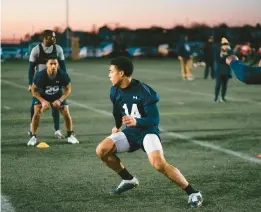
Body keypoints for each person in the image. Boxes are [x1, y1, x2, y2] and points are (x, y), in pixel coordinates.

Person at [95, 56, 203, 208]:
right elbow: (117, 111)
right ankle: (128, 179)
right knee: (102, 150)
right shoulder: (114, 90)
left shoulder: (145, 91)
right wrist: (118, 126)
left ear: (121, 73)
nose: (109, 75)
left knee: (158, 164)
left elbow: (154, 120)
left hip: (148, 131)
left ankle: (193, 192)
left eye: (111, 71)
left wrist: (136, 121)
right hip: (130, 132)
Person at [27, 56, 79, 146]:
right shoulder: (40, 75)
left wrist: (60, 100)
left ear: (58, 64)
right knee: (36, 112)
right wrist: (42, 101)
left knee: (66, 111)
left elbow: (68, 89)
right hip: (42, 95)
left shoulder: (62, 74)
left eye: (55, 64)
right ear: (47, 65)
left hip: (57, 95)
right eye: (51, 64)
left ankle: (70, 135)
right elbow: (33, 90)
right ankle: (33, 137)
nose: (53, 66)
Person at [28, 30, 67, 139]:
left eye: (55, 37)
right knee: (35, 106)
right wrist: (30, 83)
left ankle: (57, 130)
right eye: (52, 37)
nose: (54, 39)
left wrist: (64, 81)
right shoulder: (36, 50)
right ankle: (32, 127)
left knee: (56, 105)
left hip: (55, 81)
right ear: (45, 38)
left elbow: (63, 67)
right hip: (40, 83)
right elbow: (31, 69)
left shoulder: (58, 49)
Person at [214, 38, 232, 103]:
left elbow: (230, 60)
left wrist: (227, 53)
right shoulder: (217, 51)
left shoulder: (230, 52)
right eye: (224, 44)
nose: (225, 46)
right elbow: (218, 60)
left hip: (226, 71)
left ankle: (223, 97)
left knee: (224, 86)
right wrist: (224, 55)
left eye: (226, 44)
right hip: (219, 71)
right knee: (218, 85)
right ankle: (216, 98)